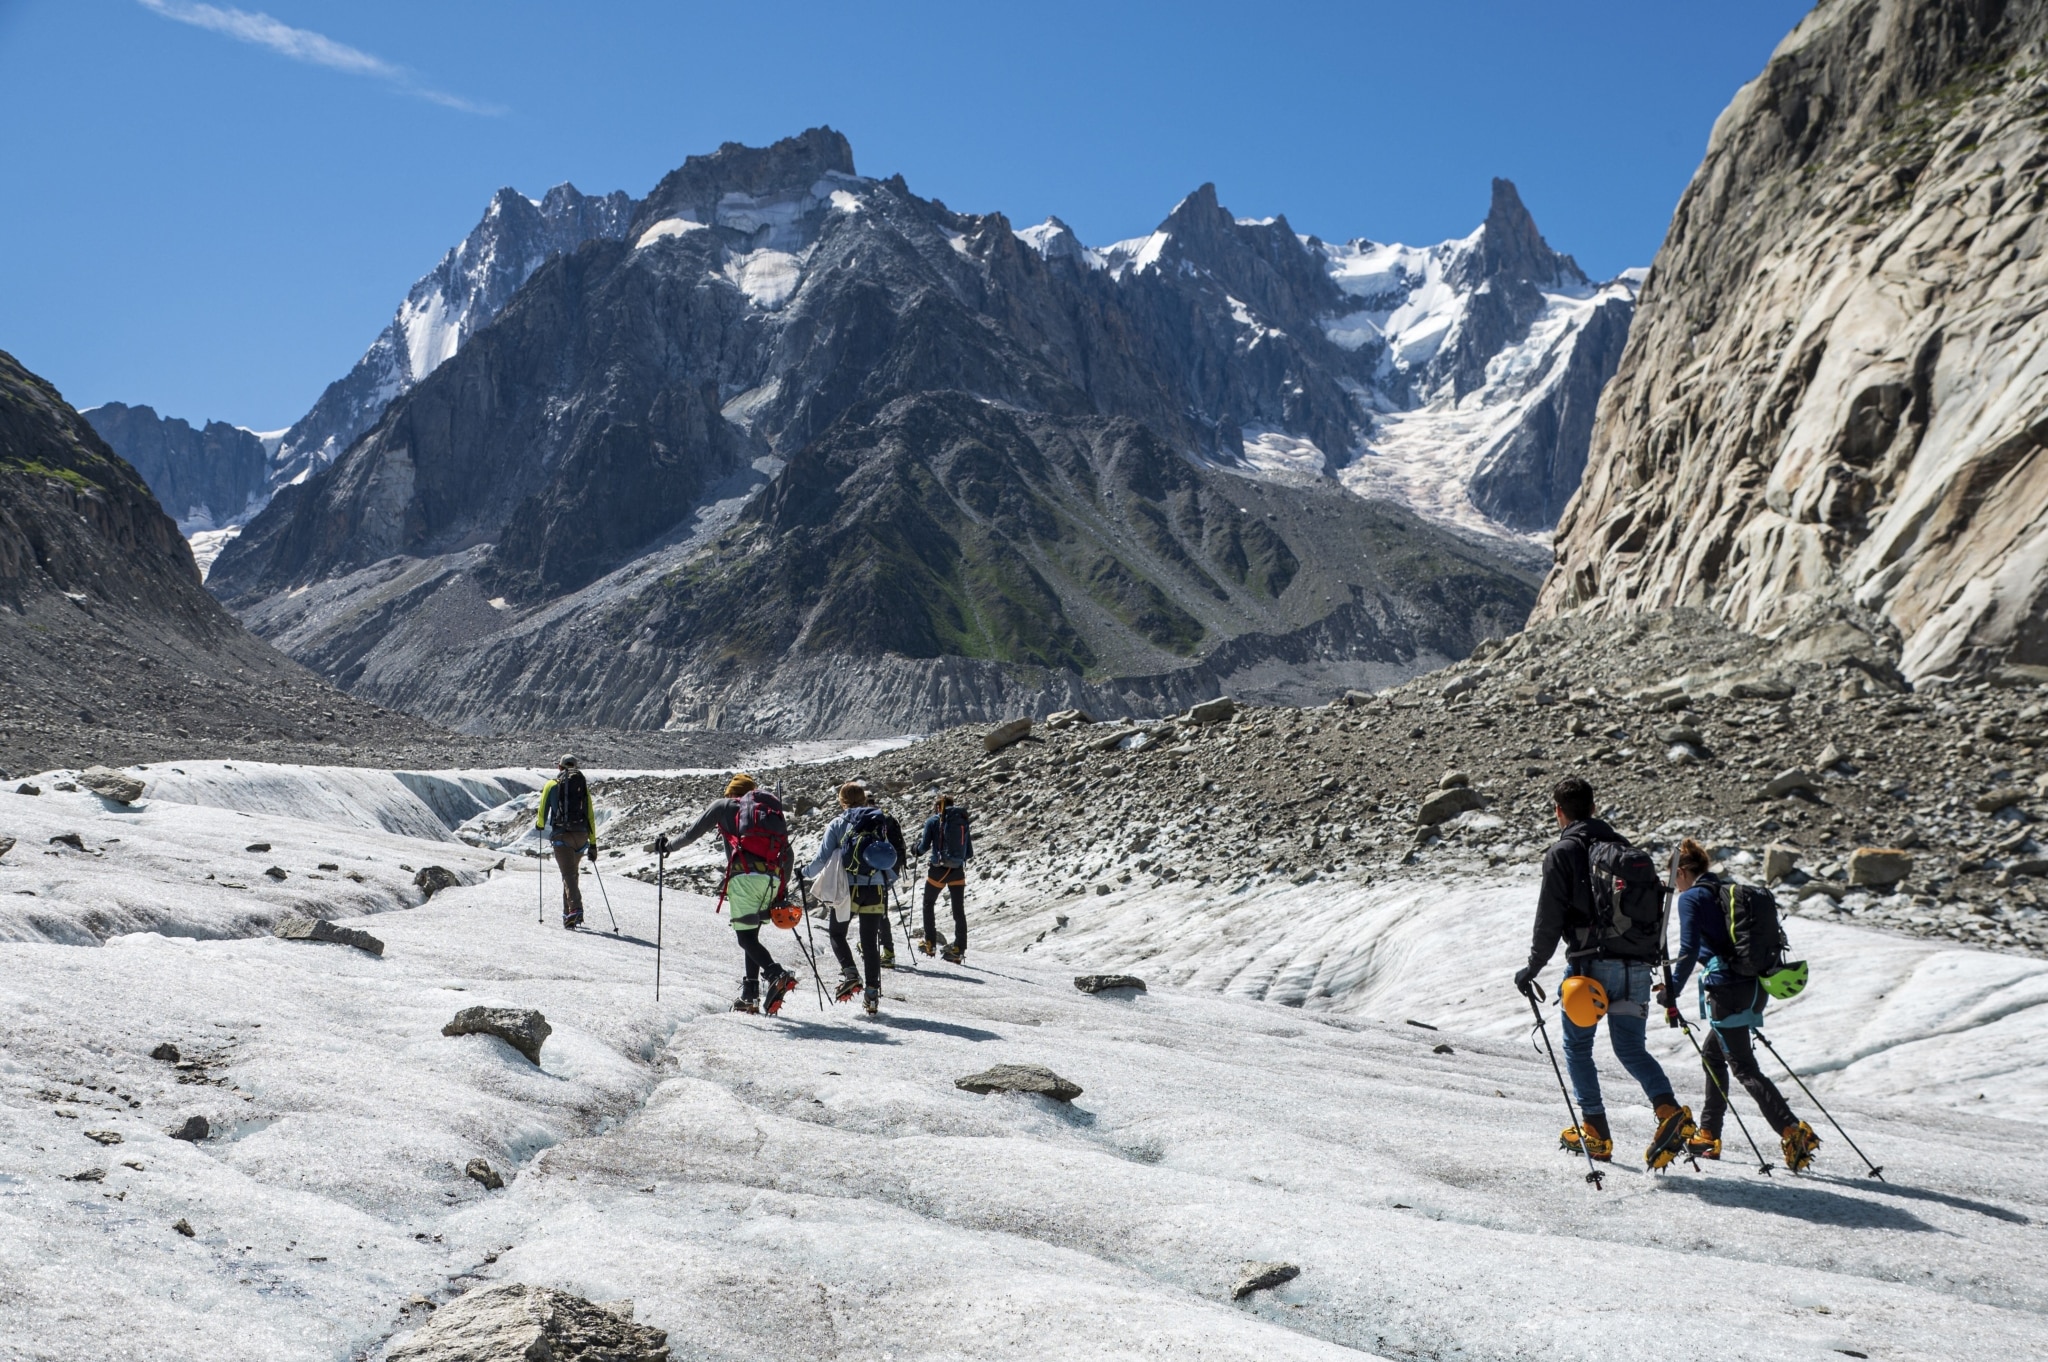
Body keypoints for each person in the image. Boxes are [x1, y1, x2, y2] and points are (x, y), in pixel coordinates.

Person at [1513, 775, 1695, 1169]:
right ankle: (1668, 1111)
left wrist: (1532, 967)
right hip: (1636, 969)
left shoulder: (1564, 852)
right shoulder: (1623, 851)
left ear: (1558, 811)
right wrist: (1658, 966)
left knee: (1578, 1047)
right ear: (1594, 808)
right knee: (1630, 1049)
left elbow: (1549, 918)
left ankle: (1595, 1132)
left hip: (1588, 971)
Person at [1661, 838, 1820, 1170]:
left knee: (1744, 1068)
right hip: (1752, 985)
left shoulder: (1692, 898)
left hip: (1726, 990)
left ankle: (1793, 1131)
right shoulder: (1726, 893)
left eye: (1674, 876)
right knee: (1713, 1055)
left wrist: (1672, 990)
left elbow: (1689, 949)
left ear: (1686, 872)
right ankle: (1708, 1133)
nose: (1674, 885)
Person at [670, 773, 799, 1015]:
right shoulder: (767, 814)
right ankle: (749, 995)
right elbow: (787, 854)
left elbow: (691, 834)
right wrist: (781, 889)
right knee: (752, 936)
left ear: (731, 792)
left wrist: (667, 847)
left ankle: (776, 974)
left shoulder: (725, 806)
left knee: (744, 938)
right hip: (770, 880)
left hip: (745, 878)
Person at [804, 782, 899, 1014]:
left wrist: (803, 873)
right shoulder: (878, 822)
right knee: (869, 943)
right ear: (864, 799)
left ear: (841, 800)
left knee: (837, 933)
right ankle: (872, 996)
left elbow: (821, 859)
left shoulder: (838, 824)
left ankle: (850, 973)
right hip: (876, 888)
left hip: (848, 890)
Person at [534, 755, 597, 930]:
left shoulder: (551, 784)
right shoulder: (582, 787)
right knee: (571, 873)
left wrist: (539, 825)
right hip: (582, 836)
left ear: (559, 767)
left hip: (562, 836)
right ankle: (568, 914)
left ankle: (576, 909)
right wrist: (593, 844)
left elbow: (542, 812)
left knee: (568, 874)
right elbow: (590, 816)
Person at [914, 795, 973, 962]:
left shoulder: (934, 821)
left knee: (928, 904)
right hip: (957, 870)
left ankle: (930, 943)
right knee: (958, 911)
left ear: (938, 807)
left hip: (938, 870)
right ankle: (959, 949)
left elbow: (923, 847)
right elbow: (969, 852)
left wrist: (914, 850)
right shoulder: (962, 821)